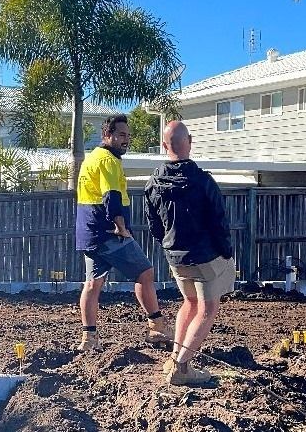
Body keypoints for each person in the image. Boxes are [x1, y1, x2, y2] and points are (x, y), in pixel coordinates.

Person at [146, 120, 235, 386]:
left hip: (175, 256)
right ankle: (182, 367)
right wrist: (226, 252)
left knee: (189, 303)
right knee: (208, 308)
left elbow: (154, 226)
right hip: (204, 256)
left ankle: (174, 357)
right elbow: (219, 222)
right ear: (190, 142)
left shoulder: (153, 182)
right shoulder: (202, 180)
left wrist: (170, 245)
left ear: (164, 145)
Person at [75, 114, 171, 353]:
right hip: (109, 233)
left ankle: (89, 339)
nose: (125, 140)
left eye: (128, 135)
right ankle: (156, 326)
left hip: (89, 233)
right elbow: (111, 196)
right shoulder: (108, 160)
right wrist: (120, 226)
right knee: (145, 272)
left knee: (92, 284)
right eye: (120, 135)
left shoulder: (92, 158)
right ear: (107, 135)